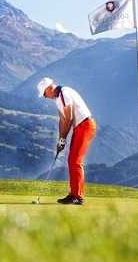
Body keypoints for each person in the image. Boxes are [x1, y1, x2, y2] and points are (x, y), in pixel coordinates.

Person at [37, 77, 96, 205]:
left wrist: (64, 139)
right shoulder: (58, 99)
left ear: (49, 88)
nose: (45, 97)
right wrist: (60, 141)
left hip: (85, 126)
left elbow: (69, 118)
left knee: (76, 160)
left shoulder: (64, 92)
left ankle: (78, 196)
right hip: (80, 127)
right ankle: (74, 194)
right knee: (72, 160)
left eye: (45, 93)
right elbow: (62, 121)